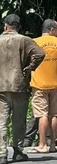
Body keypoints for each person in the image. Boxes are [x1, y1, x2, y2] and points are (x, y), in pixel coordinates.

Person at [0, 14, 45, 164]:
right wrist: (30, 68)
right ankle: (18, 151)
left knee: (1, 120)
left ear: (5, 26)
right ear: (18, 27)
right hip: (19, 85)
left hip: (0, 86)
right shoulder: (24, 40)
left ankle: (2, 154)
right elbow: (40, 53)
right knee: (18, 121)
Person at [27, 19, 57, 153]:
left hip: (39, 84)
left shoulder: (34, 43)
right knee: (54, 115)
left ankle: (42, 144)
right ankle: (52, 145)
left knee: (42, 114)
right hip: (55, 84)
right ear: (51, 29)